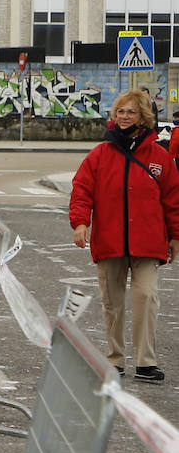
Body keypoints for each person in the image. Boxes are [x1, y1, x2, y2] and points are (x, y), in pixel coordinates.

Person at [69, 89, 179, 383]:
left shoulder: (159, 157)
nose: (125, 116)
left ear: (143, 116)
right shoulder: (100, 154)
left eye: (131, 112)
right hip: (110, 241)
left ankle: (146, 362)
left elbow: (172, 199)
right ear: (114, 116)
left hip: (148, 242)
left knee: (146, 296)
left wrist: (175, 236)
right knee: (112, 303)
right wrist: (81, 223)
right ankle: (114, 360)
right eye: (120, 111)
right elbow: (81, 190)